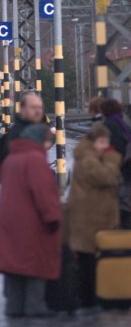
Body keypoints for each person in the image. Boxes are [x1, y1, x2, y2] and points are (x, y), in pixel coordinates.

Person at [0, 124, 62, 317]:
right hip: (31, 224)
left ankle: (14, 311)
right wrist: (53, 218)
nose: (48, 147)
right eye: (48, 143)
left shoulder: (11, 158)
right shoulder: (35, 160)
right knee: (36, 266)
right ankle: (35, 309)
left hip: (9, 224)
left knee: (14, 269)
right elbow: (44, 195)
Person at [66, 124, 121, 307]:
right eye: (102, 142)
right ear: (93, 141)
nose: (105, 146)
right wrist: (112, 158)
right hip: (90, 218)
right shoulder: (89, 159)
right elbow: (105, 177)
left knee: (88, 259)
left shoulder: (89, 156)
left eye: (107, 142)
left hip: (89, 216)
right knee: (89, 261)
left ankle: (88, 296)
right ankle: (89, 297)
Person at [100, 98, 131, 229]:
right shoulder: (122, 121)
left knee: (121, 199)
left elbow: (116, 148)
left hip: (121, 167)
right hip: (126, 165)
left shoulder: (111, 124)